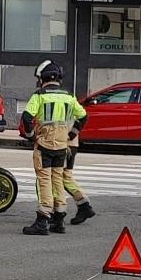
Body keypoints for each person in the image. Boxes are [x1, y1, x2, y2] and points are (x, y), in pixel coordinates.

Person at [20, 60, 90, 236]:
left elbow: (27, 118)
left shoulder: (40, 95)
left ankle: (43, 220)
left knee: (44, 181)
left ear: (43, 78)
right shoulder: (69, 96)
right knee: (58, 180)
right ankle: (59, 220)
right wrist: (72, 134)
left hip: (44, 145)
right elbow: (83, 116)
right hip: (62, 145)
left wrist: (31, 136)